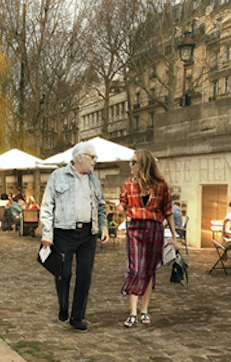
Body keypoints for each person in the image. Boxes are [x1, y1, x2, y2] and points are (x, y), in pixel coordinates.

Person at [40, 142, 108, 332]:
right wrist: (47, 234)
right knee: (64, 272)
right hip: (64, 232)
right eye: (92, 157)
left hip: (88, 233)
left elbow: (101, 206)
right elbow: (47, 206)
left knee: (85, 275)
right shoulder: (57, 176)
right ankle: (63, 305)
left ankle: (77, 316)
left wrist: (103, 227)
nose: (95, 161)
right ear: (80, 157)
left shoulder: (94, 180)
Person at [117, 149, 178, 328]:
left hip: (154, 230)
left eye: (134, 162)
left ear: (143, 164)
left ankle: (144, 310)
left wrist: (174, 236)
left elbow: (168, 211)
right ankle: (132, 312)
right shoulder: (128, 184)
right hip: (135, 228)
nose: (131, 164)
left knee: (149, 270)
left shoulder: (161, 184)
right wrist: (118, 207)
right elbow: (122, 205)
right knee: (135, 269)